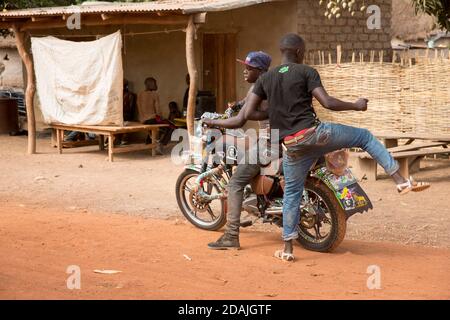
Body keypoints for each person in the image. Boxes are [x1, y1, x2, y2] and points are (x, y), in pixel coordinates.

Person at [236, 33, 430, 262]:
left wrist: (276, 113)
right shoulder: (307, 71)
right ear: (299, 52)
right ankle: (401, 180)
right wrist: (356, 106)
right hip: (317, 135)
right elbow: (327, 103)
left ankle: (287, 249)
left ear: (282, 51)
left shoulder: (265, 79)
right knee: (365, 137)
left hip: (292, 145)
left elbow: (248, 114)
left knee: (292, 194)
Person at [203, 51, 273, 250]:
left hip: (269, 143)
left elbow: (239, 121)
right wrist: (237, 104)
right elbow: (246, 100)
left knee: (235, 183)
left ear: (259, 71)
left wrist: (213, 121)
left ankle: (231, 235)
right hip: (282, 139)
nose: (245, 71)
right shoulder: (270, 82)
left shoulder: (260, 86)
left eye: (249, 68)